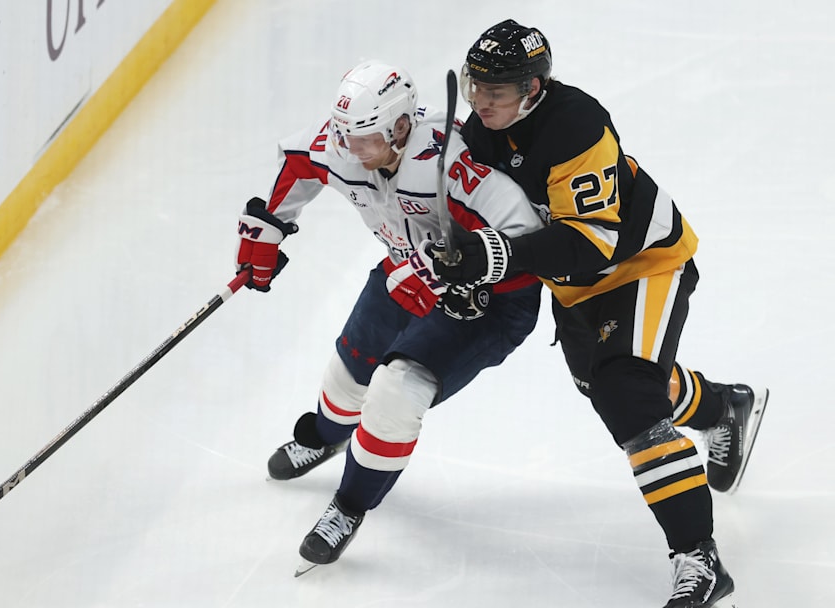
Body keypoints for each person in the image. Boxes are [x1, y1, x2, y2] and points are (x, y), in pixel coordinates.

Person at [427, 19, 769, 608]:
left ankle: (699, 557)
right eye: (475, 85)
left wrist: (494, 258)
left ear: (533, 88)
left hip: (642, 265)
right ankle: (723, 406)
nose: (481, 100)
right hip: (575, 287)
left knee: (627, 396)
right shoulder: (481, 132)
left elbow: (594, 242)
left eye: (496, 91)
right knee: (619, 381)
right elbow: (489, 216)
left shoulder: (575, 126)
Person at [234, 59, 545, 574]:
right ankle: (330, 437)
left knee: (394, 394)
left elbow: (529, 242)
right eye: (345, 136)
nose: (352, 152)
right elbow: (299, 164)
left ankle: (349, 506)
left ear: (401, 128)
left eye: (366, 140)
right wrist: (268, 227)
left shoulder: (451, 161)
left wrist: (468, 267)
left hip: (489, 303)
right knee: (347, 372)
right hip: (406, 270)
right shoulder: (348, 141)